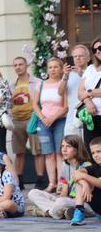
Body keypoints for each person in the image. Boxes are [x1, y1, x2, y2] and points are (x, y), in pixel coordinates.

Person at [27, 134, 94, 219]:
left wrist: (63, 201)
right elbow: (64, 193)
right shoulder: (65, 166)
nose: (64, 149)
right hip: (67, 201)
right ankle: (62, 212)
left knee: (61, 202)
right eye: (62, 146)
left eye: (68, 146)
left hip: (84, 204)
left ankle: (45, 212)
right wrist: (61, 200)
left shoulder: (87, 166)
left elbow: (86, 194)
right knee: (33, 193)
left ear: (77, 150)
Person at [32, 57, 68, 193]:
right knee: (48, 154)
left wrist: (52, 118)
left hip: (59, 121)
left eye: (56, 67)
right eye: (50, 67)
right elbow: (35, 104)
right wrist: (43, 118)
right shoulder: (40, 84)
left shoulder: (64, 83)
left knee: (60, 153)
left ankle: (60, 183)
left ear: (61, 68)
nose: (52, 70)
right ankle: (51, 183)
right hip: (43, 122)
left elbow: (65, 107)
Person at [10, 56, 46, 189]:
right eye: (15, 65)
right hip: (17, 120)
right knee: (18, 152)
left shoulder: (37, 82)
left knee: (37, 151)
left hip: (33, 119)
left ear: (26, 66)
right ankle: (18, 180)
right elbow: (9, 103)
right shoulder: (12, 85)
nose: (18, 67)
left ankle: (40, 179)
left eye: (20, 64)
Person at [69, 136, 101, 225]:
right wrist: (85, 184)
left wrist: (84, 176)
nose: (96, 155)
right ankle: (79, 211)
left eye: (99, 151)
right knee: (81, 181)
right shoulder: (94, 167)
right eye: (93, 153)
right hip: (99, 209)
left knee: (83, 178)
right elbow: (75, 174)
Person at [78, 36, 101, 151]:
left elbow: (85, 91)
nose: (98, 51)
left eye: (100, 48)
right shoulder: (91, 68)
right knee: (92, 151)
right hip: (91, 117)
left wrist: (88, 92)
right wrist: (87, 102)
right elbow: (80, 92)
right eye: (94, 50)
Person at [63, 44, 91, 136]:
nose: (77, 58)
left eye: (81, 56)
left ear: (88, 58)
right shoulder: (69, 74)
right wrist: (65, 76)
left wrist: (81, 75)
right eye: (75, 56)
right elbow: (60, 92)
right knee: (71, 146)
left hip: (89, 116)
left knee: (88, 147)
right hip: (72, 116)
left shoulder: (93, 72)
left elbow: (94, 91)